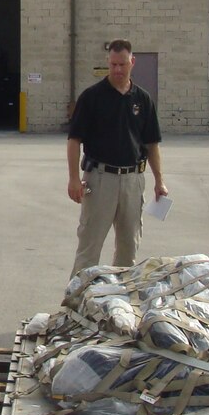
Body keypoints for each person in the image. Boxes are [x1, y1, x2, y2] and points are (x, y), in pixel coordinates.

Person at [67, 39, 168, 276]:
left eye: (122, 64)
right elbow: (74, 141)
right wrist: (73, 179)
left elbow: (152, 143)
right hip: (100, 179)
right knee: (89, 247)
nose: (118, 70)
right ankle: (76, 301)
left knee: (128, 249)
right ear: (107, 63)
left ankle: (119, 303)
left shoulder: (142, 100)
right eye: (113, 64)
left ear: (132, 62)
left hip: (133, 181)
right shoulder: (92, 97)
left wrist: (159, 181)